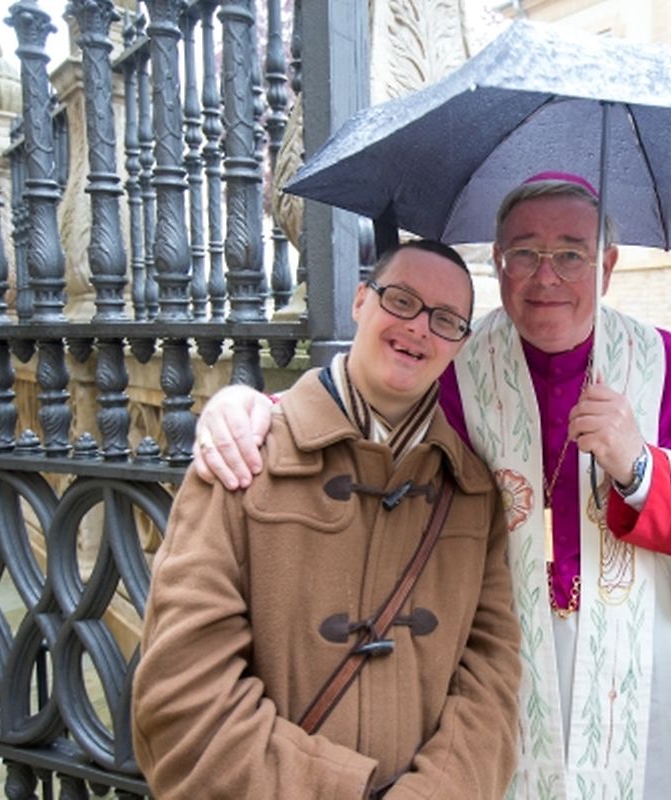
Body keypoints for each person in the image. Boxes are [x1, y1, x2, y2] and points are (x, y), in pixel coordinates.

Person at [192, 174, 671, 799]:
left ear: (608, 265)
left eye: (572, 253)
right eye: (524, 253)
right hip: (493, 658)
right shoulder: (458, 358)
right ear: (497, 262)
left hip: (636, 672)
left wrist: (639, 466)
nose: (547, 277)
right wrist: (252, 406)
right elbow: (367, 416)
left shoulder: (665, 363)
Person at [131, 240, 521, 799]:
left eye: (446, 319)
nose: (418, 329)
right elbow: (183, 694)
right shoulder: (246, 455)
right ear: (362, 300)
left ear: (460, 343)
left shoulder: (472, 490)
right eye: (402, 300)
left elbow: (492, 680)